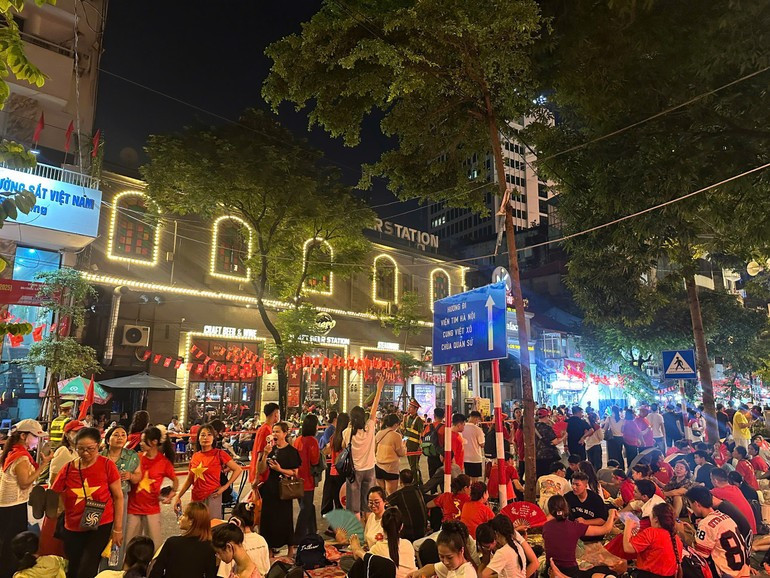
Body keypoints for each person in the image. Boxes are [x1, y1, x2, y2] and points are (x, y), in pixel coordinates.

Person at [51, 427, 123, 578]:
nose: (85, 453)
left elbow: (118, 497)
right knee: (74, 567)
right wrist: (60, 508)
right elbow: (55, 491)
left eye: (90, 449)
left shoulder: (107, 465)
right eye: (80, 449)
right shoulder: (68, 468)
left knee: (88, 567)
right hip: (73, 525)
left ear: (98, 446)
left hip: (101, 523)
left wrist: (117, 529)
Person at [0, 420, 53, 578]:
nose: (38, 440)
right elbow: (25, 483)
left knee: (5, 542)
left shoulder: (12, 451)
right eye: (35, 437)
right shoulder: (21, 457)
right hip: (13, 506)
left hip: (7, 505)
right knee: (13, 544)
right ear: (23, 436)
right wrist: (44, 464)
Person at [174, 423, 243, 520]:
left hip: (212, 496)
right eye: (202, 435)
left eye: (209, 435)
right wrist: (178, 496)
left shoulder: (219, 454)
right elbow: (190, 479)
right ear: (198, 438)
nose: (206, 438)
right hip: (196, 498)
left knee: (212, 528)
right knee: (196, 527)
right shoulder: (195, 456)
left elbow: (238, 469)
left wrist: (224, 487)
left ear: (214, 438)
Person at [125, 426, 178, 550]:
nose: (141, 444)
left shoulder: (163, 462)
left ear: (154, 442)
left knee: (155, 546)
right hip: (133, 508)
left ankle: (152, 569)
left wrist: (171, 494)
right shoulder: (136, 457)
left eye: (144, 441)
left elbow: (175, 480)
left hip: (152, 509)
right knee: (129, 545)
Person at [542, 494, 617, 577]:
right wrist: (611, 515)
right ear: (566, 507)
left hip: (549, 570)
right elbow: (605, 529)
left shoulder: (546, 526)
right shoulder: (575, 527)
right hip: (569, 572)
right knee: (609, 571)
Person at [254, 420, 300, 552]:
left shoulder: (291, 451)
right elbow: (261, 469)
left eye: (277, 431)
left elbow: (295, 472)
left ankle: (290, 548)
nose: (275, 434)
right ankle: (269, 548)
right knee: (268, 518)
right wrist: (264, 455)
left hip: (285, 488)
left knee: (285, 518)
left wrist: (280, 469)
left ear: (285, 433)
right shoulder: (270, 449)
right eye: (273, 431)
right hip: (270, 487)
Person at [685, 486, 750, 577]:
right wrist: (692, 531)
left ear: (696, 504)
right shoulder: (724, 516)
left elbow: (700, 555)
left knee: (688, 560)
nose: (690, 507)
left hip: (727, 574)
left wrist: (684, 536)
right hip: (742, 571)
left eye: (690, 504)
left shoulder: (705, 524)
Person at [343, 375, 385, 517]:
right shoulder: (370, 428)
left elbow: (344, 446)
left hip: (354, 471)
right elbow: (373, 411)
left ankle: (357, 535)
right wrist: (379, 389)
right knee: (368, 505)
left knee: (354, 508)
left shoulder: (347, 432)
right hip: (370, 469)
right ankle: (368, 531)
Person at [102, 425, 142, 569]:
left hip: (121, 498)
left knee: (118, 532)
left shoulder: (132, 456)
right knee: (101, 532)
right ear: (108, 439)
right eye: (116, 435)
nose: (120, 437)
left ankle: (114, 567)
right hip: (101, 500)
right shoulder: (100, 455)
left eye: (123, 435)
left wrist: (131, 476)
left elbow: (138, 477)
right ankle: (99, 567)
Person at [148, 501, 218, 578]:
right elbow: (211, 575)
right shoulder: (209, 547)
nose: (180, 517)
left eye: (184, 515)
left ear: (191, 521)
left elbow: (156, 572)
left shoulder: (172, 543)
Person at [620, 502, 682, 578]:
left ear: (655, 519)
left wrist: (628, 526)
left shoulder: (651, 532)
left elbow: (627, 548)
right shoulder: (676, 539)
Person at [408, 521, 478, 578]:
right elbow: (433, 568)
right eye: (441, 556)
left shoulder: (466, 574)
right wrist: (416, 573)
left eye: (449, 557)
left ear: (461, 551)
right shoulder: (454, 566)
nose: (445, 562)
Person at [219, 503, 270, 577]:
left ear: (235, 520)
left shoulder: (234, 543)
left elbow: (224, 574)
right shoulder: (261, 540)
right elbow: (266, 569)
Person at [293, 413, 320, 541]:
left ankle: (312, 531)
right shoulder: (313, 441)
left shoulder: (297, 440)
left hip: (297, 477)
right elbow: (315, 461)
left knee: (307, 506)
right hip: (308, 479)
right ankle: (299, 536)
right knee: (306, 507)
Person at [371, 507, 417, 578]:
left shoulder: (377, 548)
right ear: (401, 526)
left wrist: (356, 547)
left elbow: (363, 559)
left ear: (381, 524)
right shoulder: (408, 544)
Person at [563, 472, 608, 544]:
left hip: (593, 537)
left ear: (585, 486)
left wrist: (585, 522)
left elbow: (602, 520)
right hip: (575, 536)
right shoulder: (567, 497)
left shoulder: (596, 499)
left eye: (577, 485)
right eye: (573, 484)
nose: (574, 487)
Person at [710, 466, 757, 534]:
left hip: (741, 533)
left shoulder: (715, 492)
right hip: (751, 530)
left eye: (711, 479)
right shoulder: (735, 488)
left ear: (715, 481)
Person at [387, 469, 429, 542]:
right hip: (423, 530)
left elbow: (386, 503)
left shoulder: (399, 494)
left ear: (400, 481)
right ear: (413, 480)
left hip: (408, 533)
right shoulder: (418, 491)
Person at [321, 412, 349, 515]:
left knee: (337, 501)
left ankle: (334, 527)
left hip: (333, 470)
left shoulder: (333, 436)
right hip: (342, 471)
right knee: (343, 501)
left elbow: (326, 451)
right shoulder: (345, 437)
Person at [250, 402, 280, 487]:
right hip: (262, 476)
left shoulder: (266, 428)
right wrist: (257, 477)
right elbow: (260, 453)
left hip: (263, 474)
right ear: (275, 414)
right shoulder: (266, 430)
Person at [376, 413, 407, 495]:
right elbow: (401, 453)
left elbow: (374, 449)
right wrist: (404, 445)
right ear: (396, 424)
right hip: (391, 468)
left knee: (380, 493)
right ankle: (389, 507)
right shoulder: (396, 436)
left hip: (378, 466)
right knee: (391, 494)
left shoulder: (379, 433)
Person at [535, 408, 563, 478]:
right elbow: (555, 442)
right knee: (548, 477)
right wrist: (564, 437)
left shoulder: (533, 427)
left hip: (536, 456)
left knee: (540, 477)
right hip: (548, 456)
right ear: (547, 416)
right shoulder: (547, 428)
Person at [403, 399, 424, 483]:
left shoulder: (419, 420)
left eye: (411, 407)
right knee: (411, 465)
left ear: (416, 409)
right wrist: (403, 442)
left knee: (414, 465)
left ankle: (417, 482)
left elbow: (421, 434)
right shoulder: (407, 418)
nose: (409, 408)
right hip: (408, 444)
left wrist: (420, 446)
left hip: (415, 445)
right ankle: (416, 481)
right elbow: (406, 432)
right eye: (409, 407)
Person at [462, 411, 485, 483]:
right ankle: (474, 493)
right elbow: (482, 444)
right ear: (476, 418)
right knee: (475, 481)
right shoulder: (478, 429)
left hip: (464, 457)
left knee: (466, 479)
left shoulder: (462, 427)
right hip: (475, 458)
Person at [425, 408, 447, 479]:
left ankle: (433, 490)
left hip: (430, 455)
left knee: (432, 478)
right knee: (442, 479)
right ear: (443, 416)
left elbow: (423, 438)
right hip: (441, 455)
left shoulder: (428, 427)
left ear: (434, 416)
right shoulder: (445, 427)